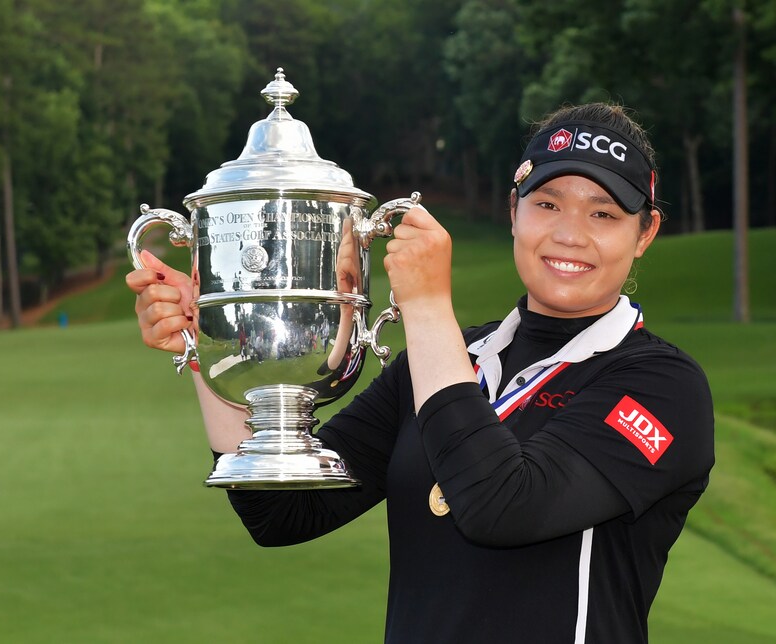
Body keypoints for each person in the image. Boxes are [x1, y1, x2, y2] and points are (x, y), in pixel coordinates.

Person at [126, 102, 715, 644]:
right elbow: (281, 513)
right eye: (547, 203)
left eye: (604, 213)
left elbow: (503, 506)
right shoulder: (438, 364)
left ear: (645, 234)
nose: (569, 233)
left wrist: (428, 305)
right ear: (514, 211)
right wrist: (209, 339)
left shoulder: (661, 385)